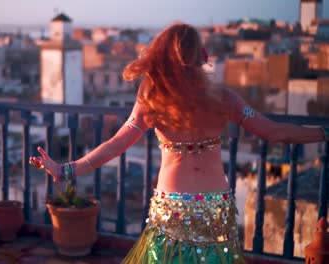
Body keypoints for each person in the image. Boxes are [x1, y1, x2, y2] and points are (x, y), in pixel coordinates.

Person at [29, 23, 329, 263]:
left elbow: (117, 143)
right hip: (213, 210)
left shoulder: (153, 101)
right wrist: (324, 134)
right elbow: (275, 131)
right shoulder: (225, 100)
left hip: (171, 211)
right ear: (201, 57)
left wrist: (67, 170)